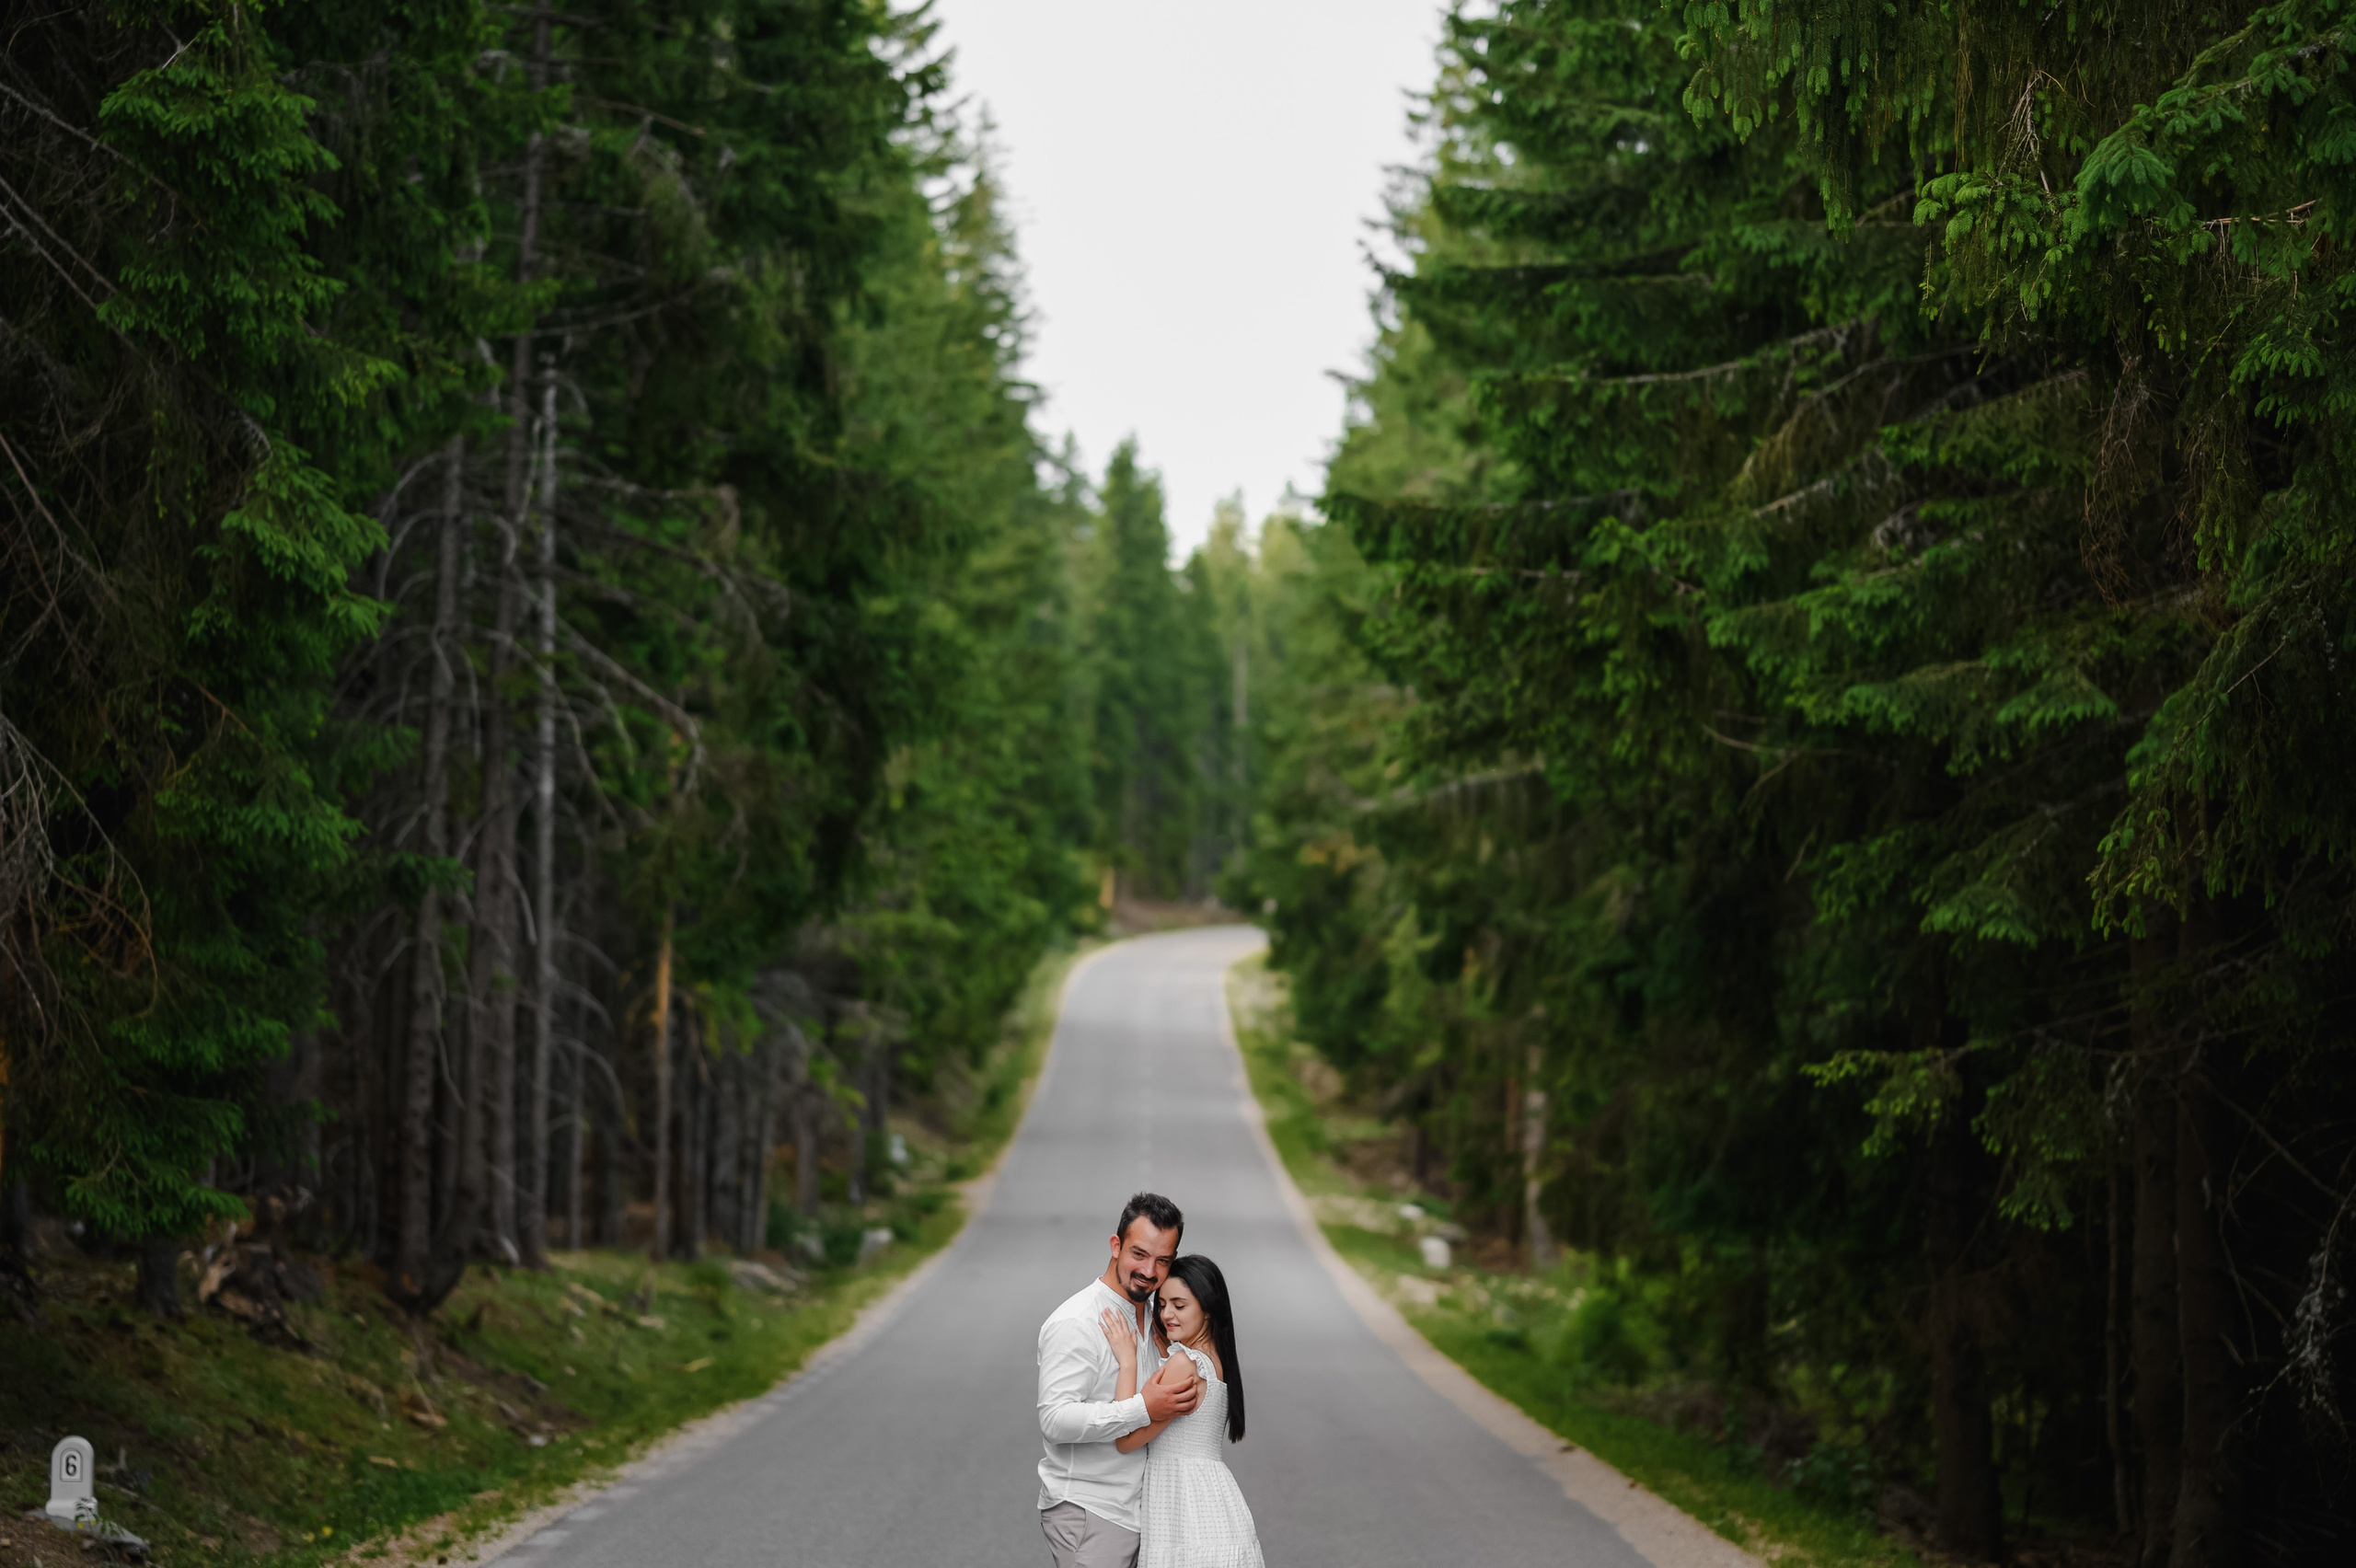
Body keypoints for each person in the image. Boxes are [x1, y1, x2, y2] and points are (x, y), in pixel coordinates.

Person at [1038, 1193, 1204, 1568]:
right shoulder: (1077, 1322)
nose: (1149, 1270)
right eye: (1139, 1254)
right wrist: (1143, 1408)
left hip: (1143, 1514)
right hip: (1091, 1510)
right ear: (1116, 1246)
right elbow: (1054, 1420)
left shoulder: (1158, 1320)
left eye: (1162, 1260)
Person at [1099, 1254, 1265, 1568]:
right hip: (1215, 1505)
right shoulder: (1215, 1360)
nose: (1166, 1314)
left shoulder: (1185, 1364)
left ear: (1207, 1309)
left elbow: (1126, 1438)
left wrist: (1128, 1361)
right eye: (1162, 1304)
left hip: (1187, 1510)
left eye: (1179, 1305)